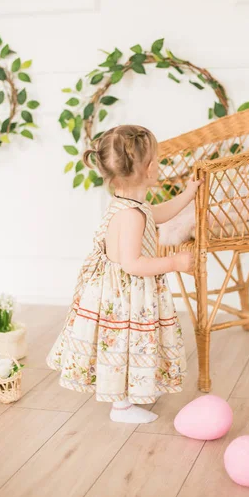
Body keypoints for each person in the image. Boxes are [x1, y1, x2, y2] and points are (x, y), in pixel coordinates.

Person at [46, 125, 202, 423]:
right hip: (124, 296)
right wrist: (174, 263)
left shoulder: (132, 205)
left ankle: (134, 391)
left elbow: (157, 214)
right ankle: (122, 406)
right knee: (124, 343)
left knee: (131, 345)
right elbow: (132, 264)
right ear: (151, 167)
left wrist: (188, 194)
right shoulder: (129, 215)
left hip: (124, 289)